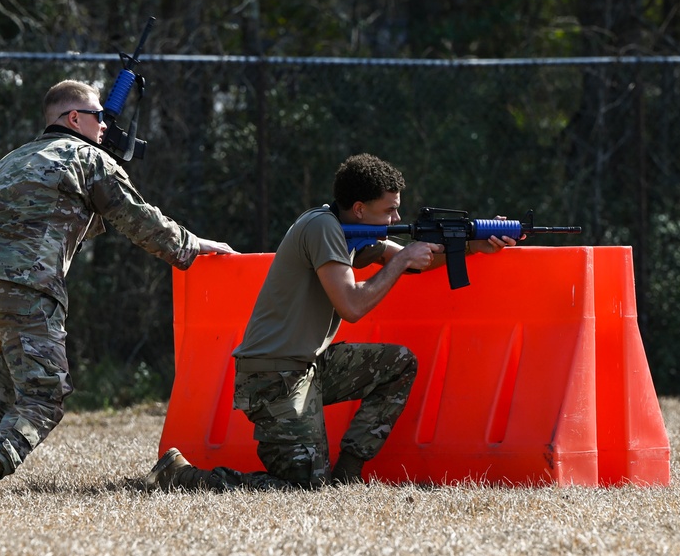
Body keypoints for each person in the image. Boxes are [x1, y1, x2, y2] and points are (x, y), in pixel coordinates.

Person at [143, 153, 515, 492]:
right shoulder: (322, 228)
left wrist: (469, 244)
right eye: (389, 211)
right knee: (304, 486)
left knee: (398, 364)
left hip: (308, 367)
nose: (397, 220)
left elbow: (411, 259)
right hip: (273, 376)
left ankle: (348, 472)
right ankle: (180, 474)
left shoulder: (350, 230)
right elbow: (353, 304)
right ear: (359, 209)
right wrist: (403, 262)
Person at [0, 79, 237, 494]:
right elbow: (139, 220)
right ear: (74, 118)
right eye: (98, 116)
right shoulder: (87, 159)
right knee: (44, 394)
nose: (105, 124)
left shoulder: (12, 159)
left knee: (12, 375)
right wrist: (192, 246)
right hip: (26, 285)